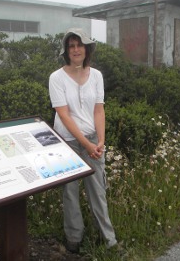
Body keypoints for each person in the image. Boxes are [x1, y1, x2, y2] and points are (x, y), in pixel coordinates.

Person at [48, 28, 118, 254]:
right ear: (66, 50)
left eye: (80, 45)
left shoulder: (96, 75)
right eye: (71, 45)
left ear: (87, 49)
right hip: (67, 141)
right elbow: (64, 115)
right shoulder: (56, 78)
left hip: (93, 141)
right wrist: (86, 145)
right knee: (70, 192)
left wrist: (100, 141)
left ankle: (109, 241)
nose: (76, 49)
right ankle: (73, 240)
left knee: (98, 190)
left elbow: (99, 110)